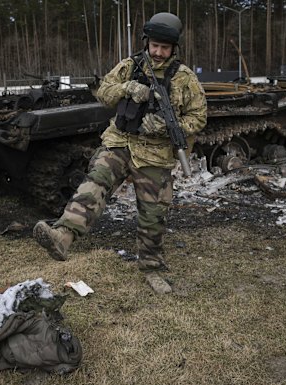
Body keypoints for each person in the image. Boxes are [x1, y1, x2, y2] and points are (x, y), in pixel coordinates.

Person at [33, 12, 207, 294]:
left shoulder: (185, 79)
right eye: (154, 46)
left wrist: (165, 127)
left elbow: (198, 118)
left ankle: (151, 267)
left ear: (174, 48)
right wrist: (127, 87)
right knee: (94, 183)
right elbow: (103, 92)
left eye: (165, 48)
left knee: (153, 215)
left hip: (155, 155)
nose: (159, 52)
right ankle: (62, 237)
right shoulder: (131, 66)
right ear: (146, 42)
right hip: (121, 142)